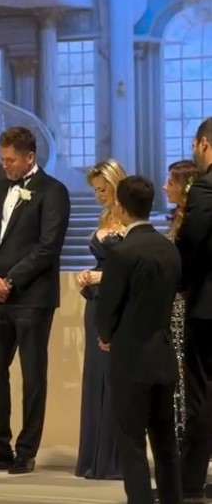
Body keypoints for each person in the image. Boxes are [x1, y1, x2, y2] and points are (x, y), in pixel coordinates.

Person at [0, 126, 70, 474]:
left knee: (32, 375)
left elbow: (48, 247)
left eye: (10, 160)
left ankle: (26, 450)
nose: (5, 166)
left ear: (30, 157)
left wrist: (11, 281)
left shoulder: (53, 191)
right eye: (2, 159)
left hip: (32, 297)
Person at [96, 176, 182, 504]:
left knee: (131, 441)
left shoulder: (122, 252)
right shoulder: (169, 248)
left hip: (130, 359)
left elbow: (108, 306)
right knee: (165, 441)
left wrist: (106, 336)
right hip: (162, 355)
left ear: (120, 207)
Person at [75, 159, 127, 480]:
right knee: (96, 376)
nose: (98, 195)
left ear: (116, 185)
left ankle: (113, 459)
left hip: (119, 307)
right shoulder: (104, 217)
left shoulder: (130, 220)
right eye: (95, 190)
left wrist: (101, 276)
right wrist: (87, 277)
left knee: (115, 377)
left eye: (103, 189)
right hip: (96, 305)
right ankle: (94, 457)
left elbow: (134, 268)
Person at [174, 118, 212, 503]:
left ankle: (189, 484)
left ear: (203, 144)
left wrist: (179, 282)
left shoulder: (205, 186)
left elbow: (193, 242)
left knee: (201, 394)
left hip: (207, 308)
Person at [163, 159, 199, 451]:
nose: (165, 187)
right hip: (173, 308)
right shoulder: (175, 218)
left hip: (187, 306)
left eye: (170, 183)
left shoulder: (193, 223)